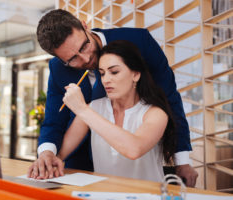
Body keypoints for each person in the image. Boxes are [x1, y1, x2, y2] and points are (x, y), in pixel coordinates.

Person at [28, 9, 198, 186]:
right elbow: (54, 119)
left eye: (84, 46)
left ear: (85, 26)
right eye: (72, 59)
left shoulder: (140, 43)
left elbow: (169, 97)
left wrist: (182, 160)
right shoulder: (61, 70)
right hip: (84, 170)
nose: (85, 58)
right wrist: (47, 154)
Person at [56, 40, 176, 182]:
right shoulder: (94, 107)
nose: (106, 80)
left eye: (114, 72)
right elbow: (59, 154)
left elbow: (134, 149)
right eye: (102, 73)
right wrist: (48, 159)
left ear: (136, 75)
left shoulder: (155, 113)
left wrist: (81, 109)